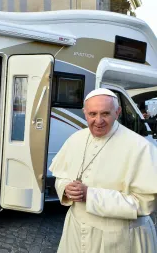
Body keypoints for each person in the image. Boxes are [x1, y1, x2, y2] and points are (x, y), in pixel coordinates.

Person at [49, 88, 157, 253]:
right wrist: (65, 188)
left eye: (105, 114)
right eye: (92, 114)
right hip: (76, 232)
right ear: (85, 113)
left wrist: (89, 195)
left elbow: (145, 203)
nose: (98, 121)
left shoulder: (140, 147)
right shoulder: (75, 139)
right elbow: (61, 177)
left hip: (119, 239)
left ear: (117, 112)